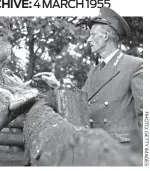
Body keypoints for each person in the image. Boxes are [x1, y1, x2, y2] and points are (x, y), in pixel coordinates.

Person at [31, 7, 143, 144]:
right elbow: (80, 105)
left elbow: (145, 115)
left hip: (121, 151)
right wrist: (57, 86)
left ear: (105, 36)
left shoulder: (135, 66)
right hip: (95, 147)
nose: (88, 40)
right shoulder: (94, 71)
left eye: (92, 35)